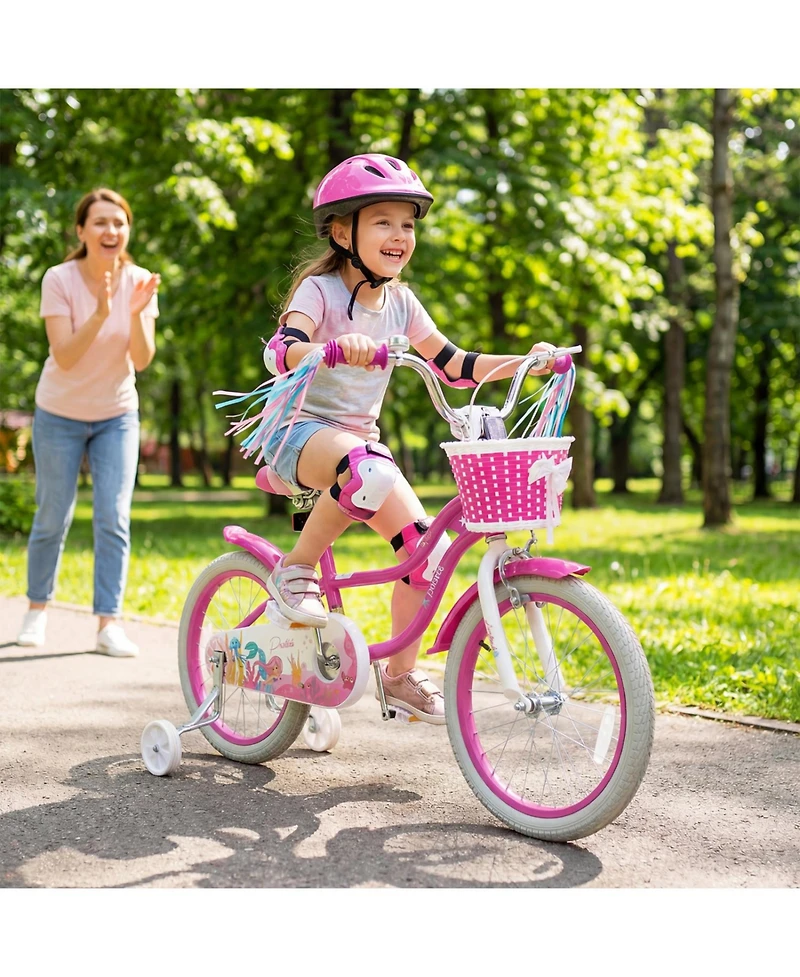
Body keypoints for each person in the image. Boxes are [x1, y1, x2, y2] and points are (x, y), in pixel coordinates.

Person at [260, 154, 554, 723]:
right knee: (366, 468)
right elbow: (280, 350)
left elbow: (454, 365)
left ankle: (398, 675)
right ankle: (294, 568)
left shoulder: (401, 301)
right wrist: (326, 349)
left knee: (428, 558)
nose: (400, 235)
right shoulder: (318, 292)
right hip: (297, 435)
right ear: (344, 232)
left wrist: (529, 361)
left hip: (360, 447)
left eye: (409, 224)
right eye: (384, 222)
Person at [16, 188, 160, 657]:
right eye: (100, 222)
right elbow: (66, 356)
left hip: (117, 415)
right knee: (52, 515)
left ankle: (108, 624)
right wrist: (101, 311)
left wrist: (134, 314)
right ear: (81, 231)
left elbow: (141, 359)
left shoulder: (139, 281)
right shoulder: (58, 279)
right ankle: (37, 610)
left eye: (119, 223)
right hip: (59, 413)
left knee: (113, 517)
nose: (110, 231)